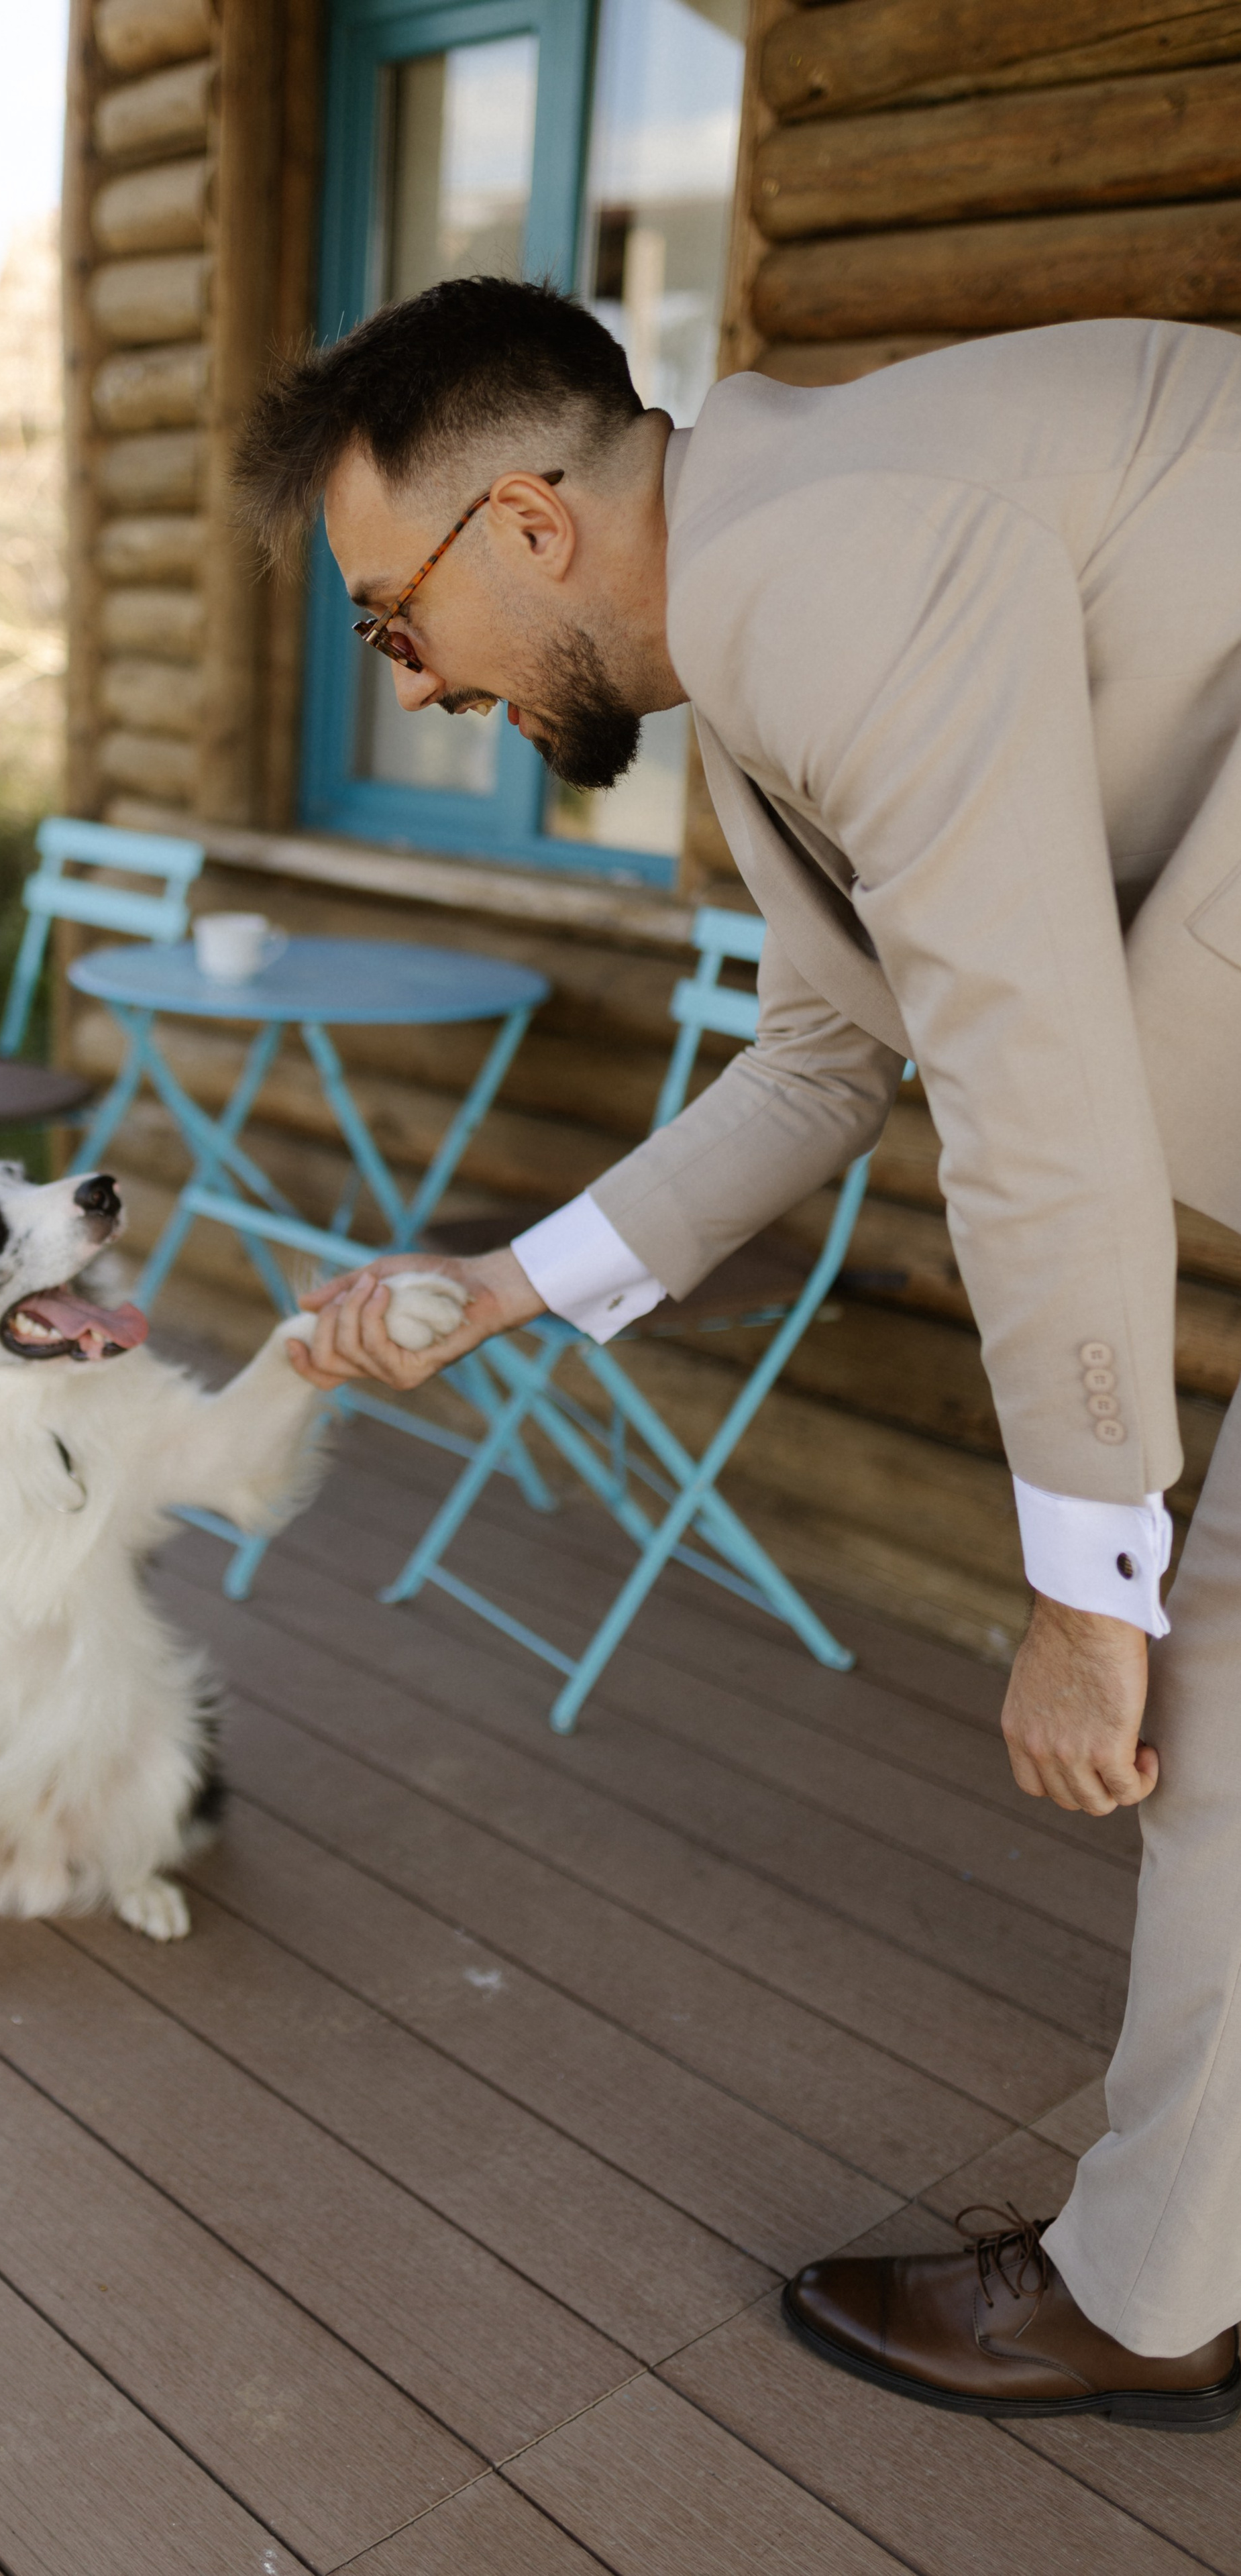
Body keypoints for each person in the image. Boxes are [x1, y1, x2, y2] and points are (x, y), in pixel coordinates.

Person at [231, 276, 1241, 2428]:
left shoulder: (827, 567)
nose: (411, 689)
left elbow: (1034, 1086)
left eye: (395, 620)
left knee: (1220, 1677)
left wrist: (1091, 1597)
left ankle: (1162, 2296)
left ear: (530, 523)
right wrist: (496, 1291)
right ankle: (1175, 2279)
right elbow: (821, 1055)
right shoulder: (776, 582)